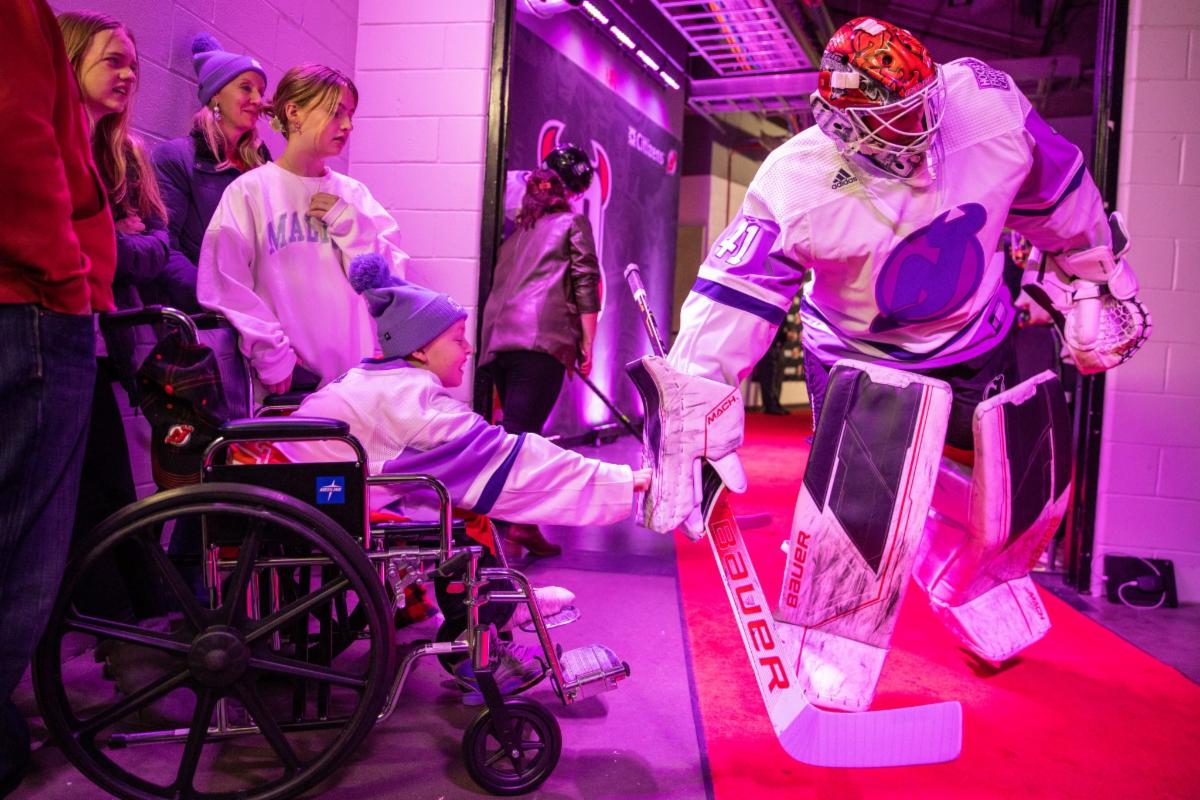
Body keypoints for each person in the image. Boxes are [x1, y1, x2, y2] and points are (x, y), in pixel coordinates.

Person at [632, 17, 1149, 710]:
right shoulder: (795, 179)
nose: (918, 127)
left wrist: (1093, 275)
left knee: (1021, 483)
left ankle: (975, 578)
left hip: (977, 335)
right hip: (858, 356)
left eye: (921, 104)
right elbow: (734, 296)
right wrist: (694, 413)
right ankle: (830, 632)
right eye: (892, 116)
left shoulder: (985, 105)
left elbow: (1059, 190)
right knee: (861, 506)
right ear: (838, 122)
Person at [279, 254, 650, 701]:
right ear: (420, 350)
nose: (469, 348)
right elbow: (512, 461)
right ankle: (482, 638)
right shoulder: (409, 401)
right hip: (308, 511)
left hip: (300, 493)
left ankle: (487, 613)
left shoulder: (381, 383)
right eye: (457, 339)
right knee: (461, 519)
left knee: (456, 504)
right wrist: (625, 480)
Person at [0, 0, 116, 793]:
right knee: (19, 548)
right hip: (31, 301)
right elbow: (17, 140)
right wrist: (68, 280)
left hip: (39, 296)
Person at [57, 11, 190, 621]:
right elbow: (78, 245)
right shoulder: (51, 146)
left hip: (103, 342)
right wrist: (117, 238)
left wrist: (113, 244)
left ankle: (129, 624)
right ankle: (116, 625)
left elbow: (156, 247)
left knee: (110, 487)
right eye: (114, 61)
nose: (130, 75)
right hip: (54, 332)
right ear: (71, 61)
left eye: (134, 64)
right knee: (89, 489)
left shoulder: (126, 154)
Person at [198, 63, 409, 397]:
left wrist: (352, 226)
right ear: (294, 112)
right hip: (286, 387)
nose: (348, 125)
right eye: (336, 112)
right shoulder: (249, 192)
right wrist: (272, 354)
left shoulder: (354, 196)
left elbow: (391, 282)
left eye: (350, 114)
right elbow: (223, 285)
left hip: (355, 385)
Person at [478, 165, 602, 556]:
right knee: (520, 441)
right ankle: (493, 532)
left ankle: (522, 525)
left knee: (519, 436)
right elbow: (585, 280)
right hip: (540, 342)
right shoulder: (572, 223)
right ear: (564, 196)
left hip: (499, 343)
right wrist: (588, 342)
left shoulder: (514, 237)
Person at [153, 33, 271, 310]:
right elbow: (167, 249)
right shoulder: (177, 158)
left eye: (261, 91)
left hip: (256, 313)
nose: (258, 100)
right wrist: (219, 299)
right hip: (205, 315)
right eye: (246, 88)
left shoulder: (263, 166)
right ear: (215, 95)